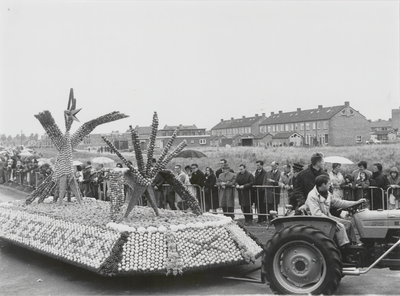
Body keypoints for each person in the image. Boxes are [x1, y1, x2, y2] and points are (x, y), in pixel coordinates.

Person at [304, 175, 366, 247]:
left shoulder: (327, 193)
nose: (331, 185)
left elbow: (339, 202)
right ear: (323, 185)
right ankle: (345, 248)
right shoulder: (312, 196)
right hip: (317, 221)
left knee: (348, 224)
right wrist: (332, 222)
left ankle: (353, 244)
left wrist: (356, 202)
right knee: (341, 227)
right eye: (329, 183)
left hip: (327, 217)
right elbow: (317, 214)